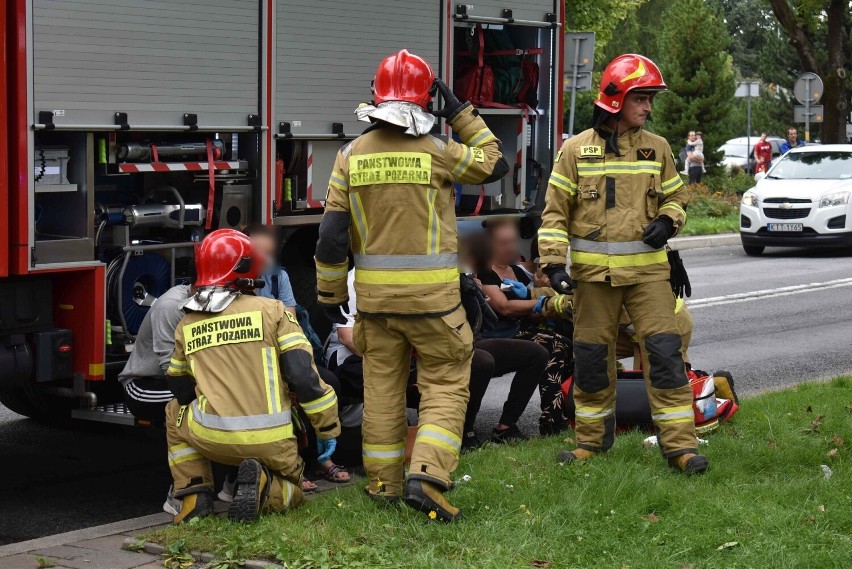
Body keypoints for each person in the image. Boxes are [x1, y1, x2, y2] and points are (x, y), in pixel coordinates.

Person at [314, 49, 508, 522]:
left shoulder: (350, 155)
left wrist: (331, 295)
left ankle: (383, 485)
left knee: (382, 390)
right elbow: (495, 164)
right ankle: (428, 476)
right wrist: (461, 112)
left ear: (376, 97)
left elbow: (331, 235)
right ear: (426, 99)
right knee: (445, 383)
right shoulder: (438, 151)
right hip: (435, 304)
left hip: (376, 306)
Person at [538, 53, 709, 475]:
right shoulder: (575, 150)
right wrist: (554, 265)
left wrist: (669, 221)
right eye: (641, 98)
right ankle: (591, 444)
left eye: (650, 99)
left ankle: (681, 449)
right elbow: (554, 213)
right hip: (593, 280)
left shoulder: (659, 148)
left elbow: (676, 198)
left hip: (649, 276)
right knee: (593, 359)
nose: (648, 107)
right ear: (615, 98)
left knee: (665, 356)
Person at [164, 229, 340, 523]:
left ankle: (194, 496)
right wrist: (327, 428)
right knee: (292, 491)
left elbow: (180, 388)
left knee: (174, 412)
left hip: (211, 437)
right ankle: (267, 487)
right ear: (247, 267)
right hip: (274, 442)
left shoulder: (188, 322)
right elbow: (303, 377)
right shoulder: (273, 311)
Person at [473, 221, 574, 435]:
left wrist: (544, 300)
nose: (510, 247)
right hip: (493, 337)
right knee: (552, 344)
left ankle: (559, 415)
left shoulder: (516, 272)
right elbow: (505, 307)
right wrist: (541, 301)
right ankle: (544, 421)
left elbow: (531, 315)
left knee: (567, 345)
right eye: (503, 242)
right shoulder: (484, 271)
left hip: (519, 333)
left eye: (512, 241)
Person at [118, 284, 192, 423]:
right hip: (144, 385)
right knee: (207, 396)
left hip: (183, 379)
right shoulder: (172, 306)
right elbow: (169, 369)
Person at [243, 224, 296, 316]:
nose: (263, 259)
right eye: (257, 251)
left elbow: (291, 321)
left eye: (268, 253)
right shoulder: (227, 280)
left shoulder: (279, 276)